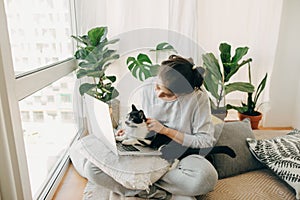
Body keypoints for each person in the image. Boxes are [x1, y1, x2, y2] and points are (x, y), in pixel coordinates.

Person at [75, 55, 218, 200]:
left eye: (167, 94)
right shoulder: (146, 88)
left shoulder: (198, 98)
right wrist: (128, 130)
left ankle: (138, 184)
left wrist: (165, 130)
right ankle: (160, 193)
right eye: (157, 86)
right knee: (92, 169)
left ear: (182, 94)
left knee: (205, 177)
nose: (157, 93)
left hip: (179, 154)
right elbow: (139, 121)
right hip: (146, 151)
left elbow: (205, 141)